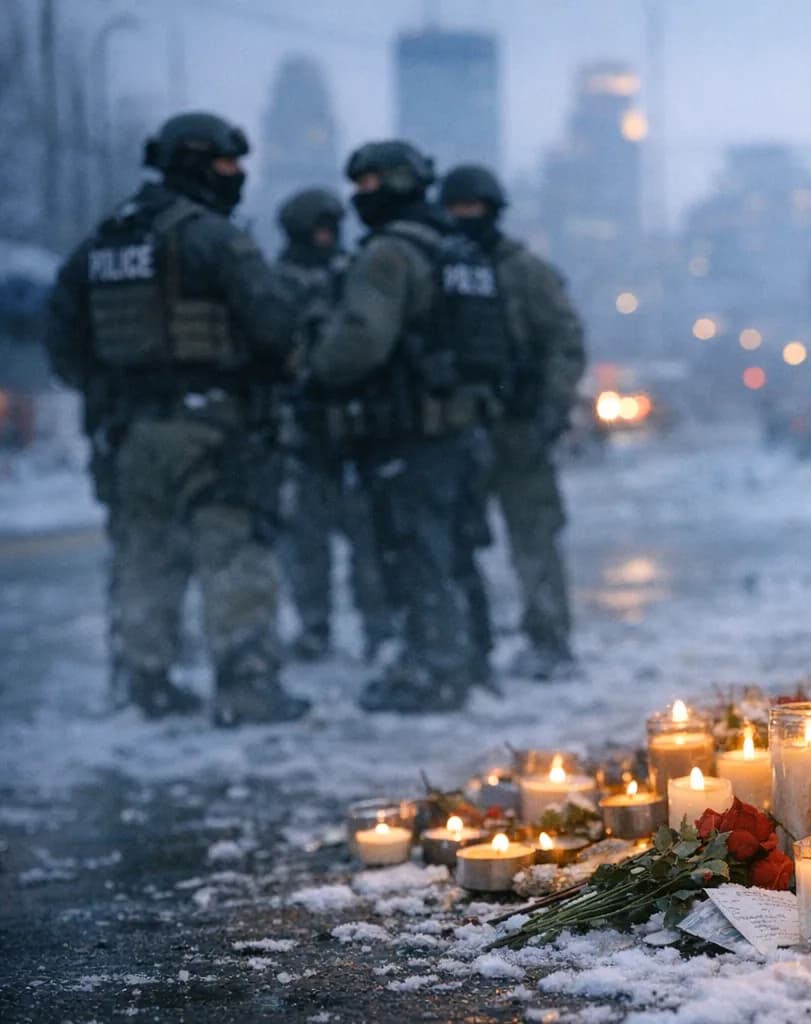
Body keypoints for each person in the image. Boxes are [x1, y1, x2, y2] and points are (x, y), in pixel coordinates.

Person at [43, 111, 310, 726]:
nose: (236, 175)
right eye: (225, 163)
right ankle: (245, 682)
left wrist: (120, 394)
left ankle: (145, 680)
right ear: (193, 161)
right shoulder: (214, 238)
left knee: (144, 554)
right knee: (232, 550)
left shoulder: (103, 242)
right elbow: (273, 324)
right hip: (214, 426)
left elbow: (64, 345)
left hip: (130, 433)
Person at [309, 140, 499, 712]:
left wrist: (315, 370)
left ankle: (434, 672)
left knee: (414, 555)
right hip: (462, 431)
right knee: (457, 551)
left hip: (410, 435)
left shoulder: (389, 254)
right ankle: (472, 661)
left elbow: (360, 342)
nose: (360, 196)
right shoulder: (460, 251)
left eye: (370, 184)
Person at [438, 163, 587, 680]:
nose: (463, 219)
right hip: (459, 428)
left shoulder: (525, 272)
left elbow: (565, 341)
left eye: (472, 209)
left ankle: (548, 640)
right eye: (455, 209)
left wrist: (551, 405)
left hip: (519, 427)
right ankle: (464, 642)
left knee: (535, 540)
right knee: (454, 541)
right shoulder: (437, 269)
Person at [272, 187, 394, 661]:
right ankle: (315, 627)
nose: (324, 238)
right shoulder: (274, 282)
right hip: (299, 435)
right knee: (306, 545)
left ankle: (377, 628)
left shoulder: (354, 274)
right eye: (316, 231)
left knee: (367, 543)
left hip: (354, 432)